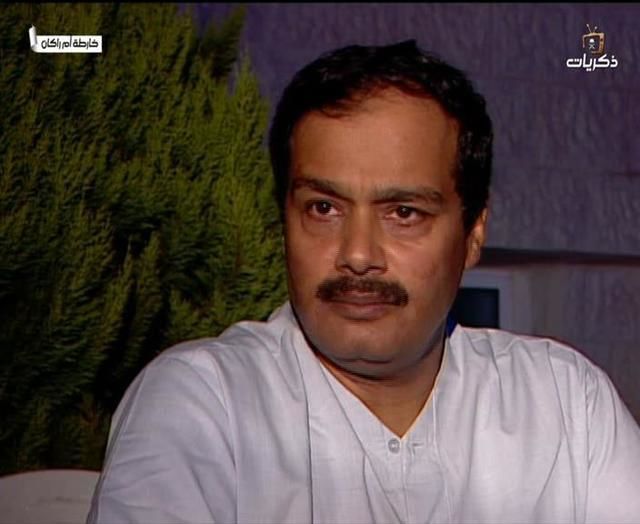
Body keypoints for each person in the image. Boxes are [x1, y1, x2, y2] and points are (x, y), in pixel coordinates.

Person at [87, 40, 640, 524]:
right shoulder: (205, 405)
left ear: (473, 233)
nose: (356, 255)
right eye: (323, 208)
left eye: (403, 213)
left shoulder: (564, 404)